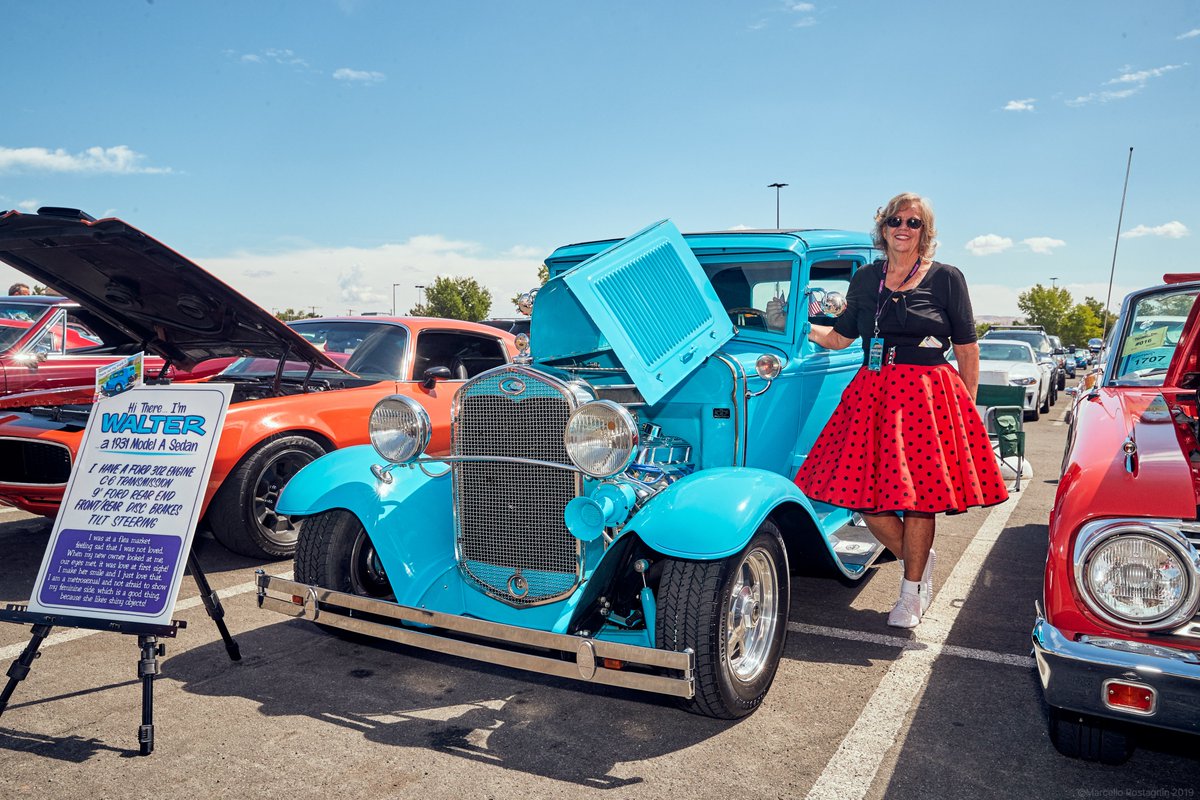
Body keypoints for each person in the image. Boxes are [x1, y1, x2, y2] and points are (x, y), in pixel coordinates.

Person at [796, 192, 1008, 628]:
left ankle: (911, 593)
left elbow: (967, 349)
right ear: (883, 227)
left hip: (929, 395)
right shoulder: (866, 278)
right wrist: (790, 323)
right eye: (896, 220)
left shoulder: (947, 277)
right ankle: (918, 559)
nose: (903, 228)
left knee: (918, 501)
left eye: (913, 222)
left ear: (924, 232)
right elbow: (840, 338)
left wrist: (966, 412)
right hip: (873, 393)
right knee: (863, 498)